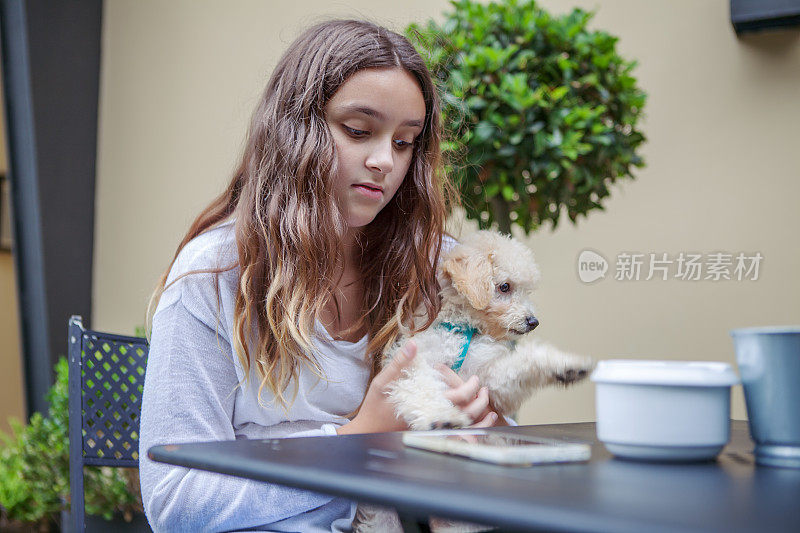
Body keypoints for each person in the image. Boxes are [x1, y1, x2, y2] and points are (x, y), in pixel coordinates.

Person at [139, 19, 507, 533]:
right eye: (358, 131)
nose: (384, 161)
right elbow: (175, 500)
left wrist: (486, 424)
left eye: (405, 143)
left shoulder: (436, 268)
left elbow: (487, 459)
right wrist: (360, 440)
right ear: (295, 129)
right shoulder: (214, 275)